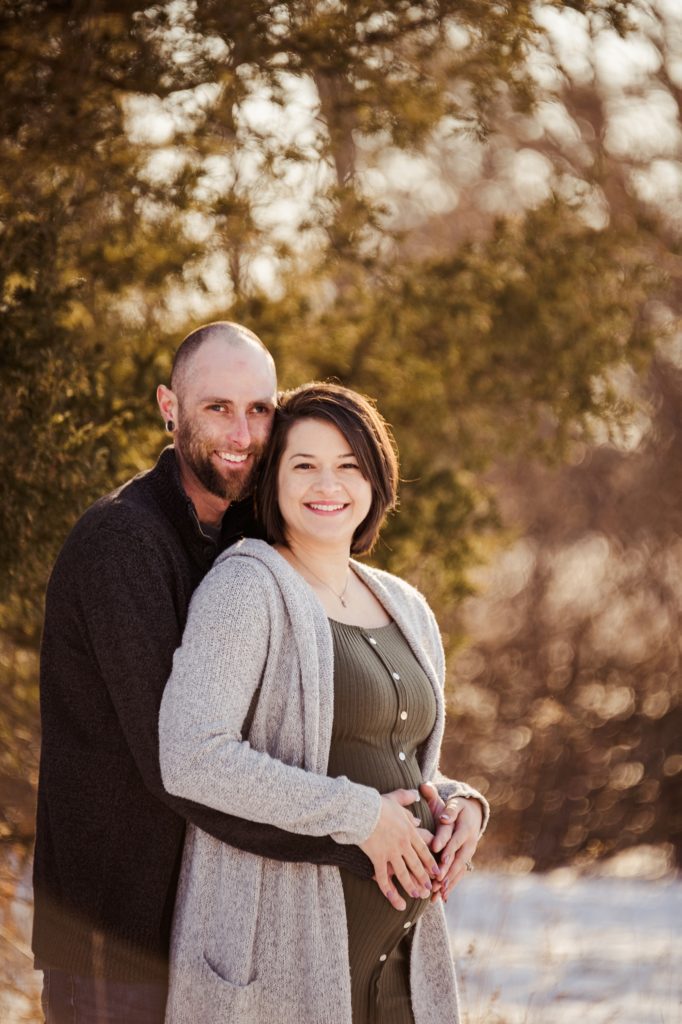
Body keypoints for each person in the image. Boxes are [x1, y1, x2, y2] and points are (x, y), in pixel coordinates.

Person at [32, 323, 485, 1024]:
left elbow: (307, 747)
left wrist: (448, 804)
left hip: (212, 928)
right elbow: (180, 762)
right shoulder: (125, 544)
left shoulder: (244, 533)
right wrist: (359, 828)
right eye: (217, 407)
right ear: (169, 407)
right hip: (120, 930)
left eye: (259, 409)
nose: (242, 433)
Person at [159, 382, 488, 1024]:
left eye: (349, 466)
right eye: (304, 465)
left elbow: (393, 762)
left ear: (376, 479)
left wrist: (461, 806)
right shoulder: (245, 588)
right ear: (272, 480)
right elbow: (191, 755)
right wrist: (359, 816)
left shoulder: (405, 604)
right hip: (284, 964)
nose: (327, 485)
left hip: (402, 966)